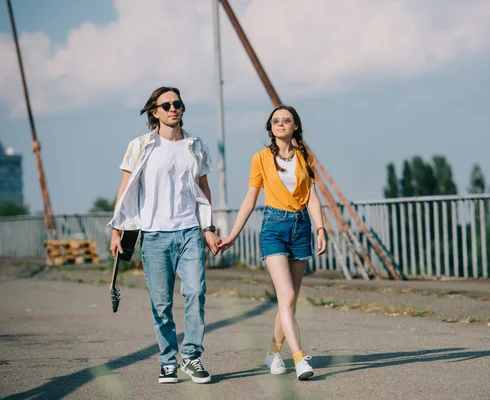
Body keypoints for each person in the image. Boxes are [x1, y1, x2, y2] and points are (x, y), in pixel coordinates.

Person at [108, 86, 220, 384]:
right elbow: (125, 189)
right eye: (166, 105)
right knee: (162, 304)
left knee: (195, 292)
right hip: (155, 236)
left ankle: (192, 357)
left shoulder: (196, 145)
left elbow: (204, 188)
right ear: (154, 112)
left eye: (177, 103)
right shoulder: (141, 145)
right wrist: (117, 229)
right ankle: (168, 361)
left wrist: (208, 228)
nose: (173, 108)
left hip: (188, 234)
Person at [218, 105, 327, 380]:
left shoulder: (305, 157)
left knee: (288, 302)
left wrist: (320, 227)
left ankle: (273, 353)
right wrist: (232, 235)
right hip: (273, 228)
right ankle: (300, 359)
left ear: (295, 127)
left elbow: (312, 195)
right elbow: (249, 199)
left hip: (301, 227)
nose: (280, 124)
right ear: (270, 128)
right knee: (287, 295)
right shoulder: (261, 158)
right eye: (275, 121)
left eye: (286, 120)